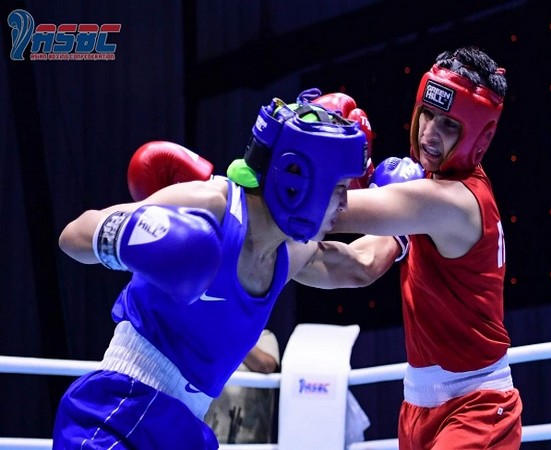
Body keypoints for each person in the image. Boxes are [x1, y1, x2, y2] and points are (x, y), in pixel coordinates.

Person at [52, 89, 404, 449]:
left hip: (187, 430)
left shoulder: (290, 254)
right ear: (301, 180)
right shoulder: (210, 205)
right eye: (339, 189)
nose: (346, 205)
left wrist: (405, 221)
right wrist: (136, 234)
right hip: (117, 412)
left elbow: (361, 266)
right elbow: (74, 236)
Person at [332, 46, 523, 449]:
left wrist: (279, 172)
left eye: (449, 125)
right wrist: (270, 256)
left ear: (478, 137)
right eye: (428, 114)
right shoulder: (425, 191)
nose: (429, 132)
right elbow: (361, 263)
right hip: (418, 405)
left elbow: (337, 214)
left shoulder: (452, 201)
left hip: (476, 407)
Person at [204, 329, 279, 444]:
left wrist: (231, 335)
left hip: (247, 439)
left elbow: (266, 366)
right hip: (207, 436)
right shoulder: (207, 333)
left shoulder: (264, 336)